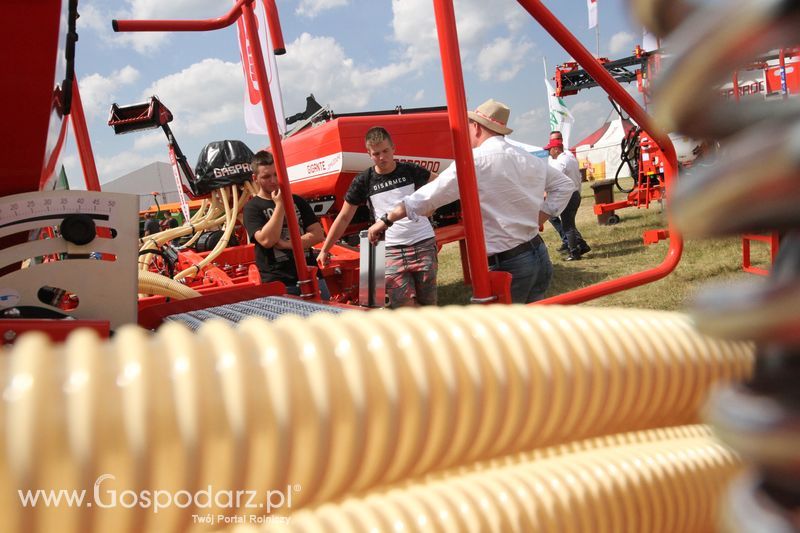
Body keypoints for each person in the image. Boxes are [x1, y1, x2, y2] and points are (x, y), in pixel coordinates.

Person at [367, 99, 574, 304]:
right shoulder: (526, 157)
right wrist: (541, 216)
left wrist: (387, 219)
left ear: (476, 127)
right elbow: (564, 186)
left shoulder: (474, 161)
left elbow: (425, 198)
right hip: (537, 253)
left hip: (509, 262)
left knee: (505, 332)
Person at [317, 127, 439, 308]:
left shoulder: (410, 170)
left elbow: (441, 184)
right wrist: (325, 248)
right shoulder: (364, 181)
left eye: (385, 151)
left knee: (428, 304)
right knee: (403, 305)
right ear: (369, 154)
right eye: (376, 154)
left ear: (393, 148)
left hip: (423, 243)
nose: (382, 157)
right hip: (391, 249)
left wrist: (431, 205)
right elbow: (343, 217)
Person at [243, 150, 329, 299]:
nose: (273, 180)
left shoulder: (297, 201)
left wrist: (287, 244)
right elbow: (267, 240)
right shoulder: (252, 208)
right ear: (255, 178)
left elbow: (318, 234)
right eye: (266, 176)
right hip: (280, 283)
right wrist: (280, 206)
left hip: (312, 276)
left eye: (276, 174)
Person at [544, 138, 590, 261]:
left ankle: (574, 252)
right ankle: (582, 245)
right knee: (569, 224)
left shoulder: (560, 162)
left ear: (556, 149)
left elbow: (554, 179)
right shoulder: (570, 157)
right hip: (575, 193)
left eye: (550, 150)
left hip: (567, 195)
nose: (549, 153)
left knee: (567, 226)